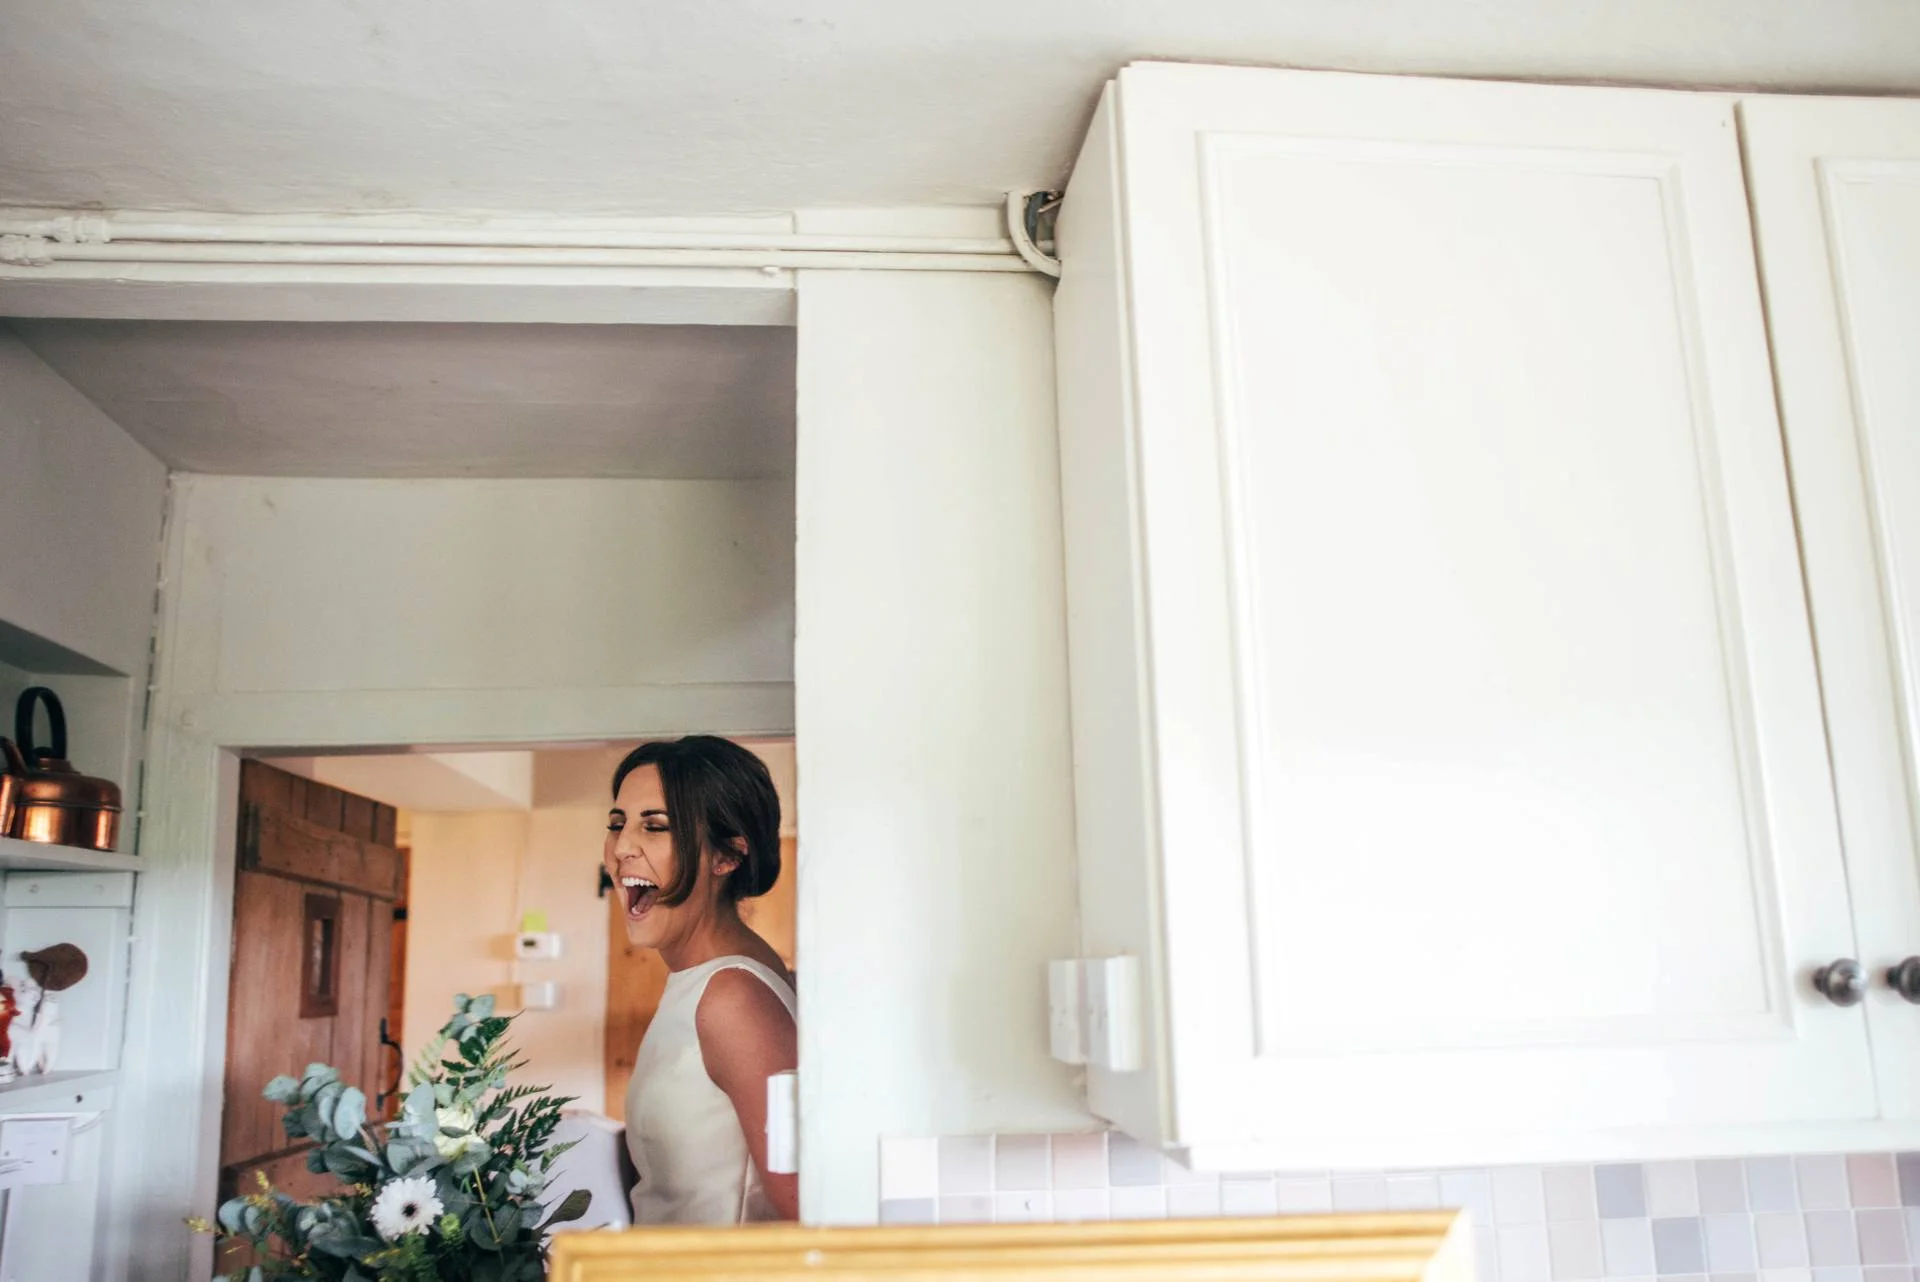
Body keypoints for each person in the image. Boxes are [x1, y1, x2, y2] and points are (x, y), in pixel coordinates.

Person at [605, 735, 798, 1224]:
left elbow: (802, 1207)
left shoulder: (732, 997)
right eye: (617, 823)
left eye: (655, 827)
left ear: (727, 856)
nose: (622, 846)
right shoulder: (701, 982)